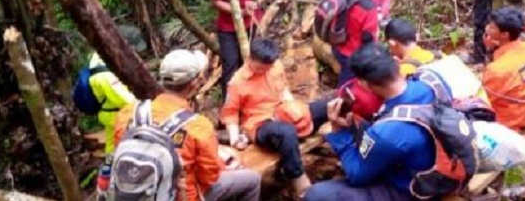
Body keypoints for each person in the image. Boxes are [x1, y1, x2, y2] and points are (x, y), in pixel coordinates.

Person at [114, 49, 261, 201]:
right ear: (194, 83)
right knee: (252, 179)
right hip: (183, 196)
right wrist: (225, 164)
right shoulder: (197, 126)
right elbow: (209, 178)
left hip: (134, 192)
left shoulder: (128, 113)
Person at [304, 43, 438, 201]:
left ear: (364, 84)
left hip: (409, 188)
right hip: (435, 164)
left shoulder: (384, 133)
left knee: (317, 194)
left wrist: (338, 132)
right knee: (361, 128)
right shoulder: (428, 83)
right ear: (396, 62)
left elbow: (356, 174)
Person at [222, 38, 329, 198]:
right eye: (260, 68)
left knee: (327, 106)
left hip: (284, 112)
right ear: (250, 59)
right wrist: (234, 138)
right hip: (260, 125)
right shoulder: (236, 83)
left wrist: (294, 108)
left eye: (268, 68)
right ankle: (297, 179)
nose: (264, 71)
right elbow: (230, 113)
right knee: (286, 131)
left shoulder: (276, 66)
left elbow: (284, 88)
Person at [209, 0, 270, 98]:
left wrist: (256, 3)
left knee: (251, 61)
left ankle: (250, 98)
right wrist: (239, 11)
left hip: (251, 23)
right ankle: (229, 102)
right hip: (227, 28)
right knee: (230, 64)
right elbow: (216, 1)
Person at [482, 7, 525, 131]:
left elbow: (483, 100)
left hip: (507, 119)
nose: (487, 28)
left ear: (505, 35)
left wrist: (488, 51)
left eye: (492, 27)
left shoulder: (498, 70)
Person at [333, 0, 381, 86]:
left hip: (337, 45)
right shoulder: (368, 7)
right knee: (348, 81)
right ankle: (343, 95)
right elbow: (368, 38)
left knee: (345, 70)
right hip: (353, 53)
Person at [87, 52, 137, 156]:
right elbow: (121, 98)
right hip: (117, 115)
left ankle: (109, 163)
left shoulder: (95, 63)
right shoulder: (105, 75)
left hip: (107, 112)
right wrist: (140, 105)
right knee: (126, 142)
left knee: (111, 142)